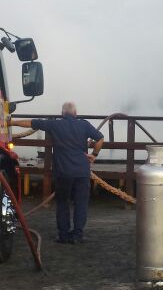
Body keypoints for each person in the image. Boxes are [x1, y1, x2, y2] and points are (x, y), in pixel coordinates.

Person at [10, 102, 104, 244]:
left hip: (63, 172)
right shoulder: (84, 125)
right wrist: (94, 155)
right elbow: (100, 138)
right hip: (81, 171)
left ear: (62, 113)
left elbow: (31, 122)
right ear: (75, 113)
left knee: (62, 203)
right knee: (81, 204)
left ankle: (63, 235)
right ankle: (78, 236)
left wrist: (10, 122)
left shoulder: (55, 125)